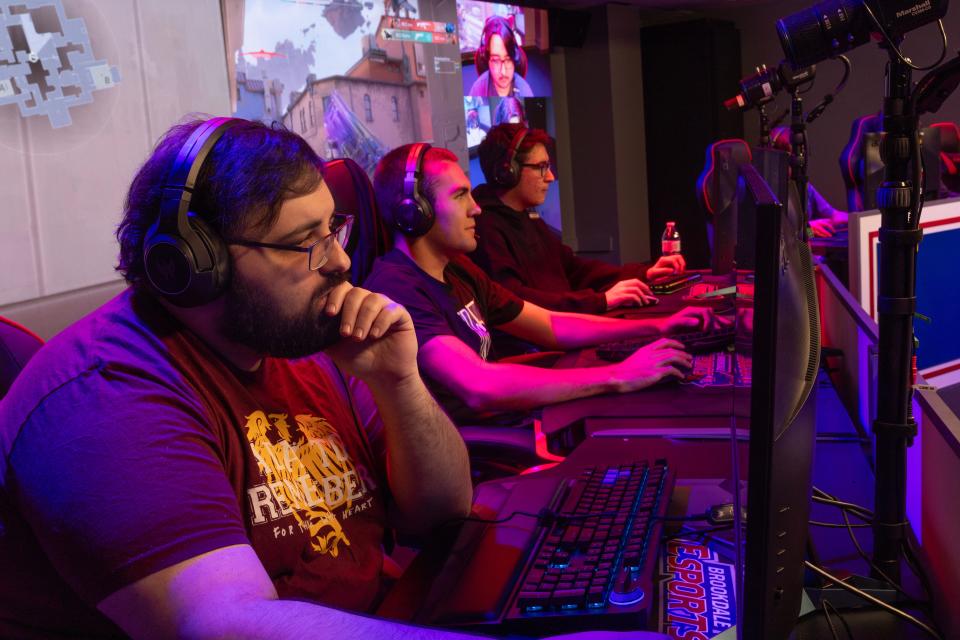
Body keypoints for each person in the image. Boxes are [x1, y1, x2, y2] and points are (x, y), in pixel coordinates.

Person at [0, 117, 482, 639]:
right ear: (193, 263)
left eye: (333, 229)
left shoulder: (301, 339)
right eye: (305, 242)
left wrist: (399, 383)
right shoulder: (105, 395)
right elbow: (223, 625)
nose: (341, 260)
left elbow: (442, 509)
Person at [363, 143, 723, 424]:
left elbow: (550, 325)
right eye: (460, 196)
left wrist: (658, 326)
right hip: (477, 453)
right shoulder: (398, 288)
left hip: (513, 421)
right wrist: (618, 375)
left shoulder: (456, 269)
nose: (476, 209)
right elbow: (478, 387)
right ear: (413, 210)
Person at [470, 123, 687, 315]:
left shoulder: (527, 218)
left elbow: (573, 269)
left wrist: (644, 273)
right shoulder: (487, 228)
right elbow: (516, 300)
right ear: (508, 171)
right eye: (541, 167)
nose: (551, 177)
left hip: (566, 330)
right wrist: (601, 301)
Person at [770, 126, 849, 238]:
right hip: (792, 252)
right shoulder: (770, 192)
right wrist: (808, 229)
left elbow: (833, 215)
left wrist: (857, 219)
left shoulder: (805, 187)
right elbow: (780, 235)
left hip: (807, 250)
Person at [468, 15, 534, 99]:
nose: (503, 72)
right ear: (487, 59)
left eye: (508, 59)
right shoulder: (477, 89)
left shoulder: (525, 90)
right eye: (495, 60)